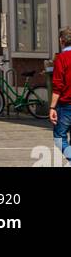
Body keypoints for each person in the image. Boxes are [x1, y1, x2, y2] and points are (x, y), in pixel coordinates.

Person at [48, 25, 71, 163]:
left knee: (59, 137)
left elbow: (58, 85)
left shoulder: (61, 58)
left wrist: (52, 107)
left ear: (62, 41)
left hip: (65, 105)